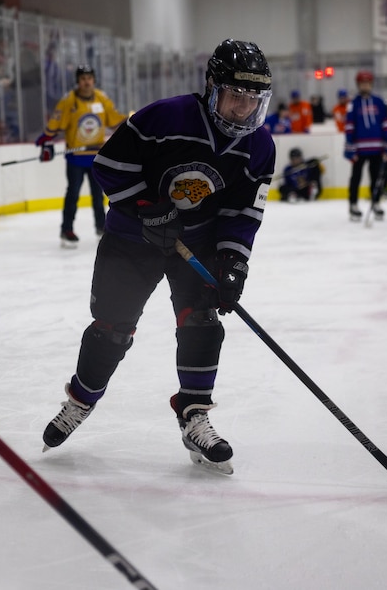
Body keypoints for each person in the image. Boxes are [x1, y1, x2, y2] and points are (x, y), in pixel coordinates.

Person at [40, 38, 275, 476]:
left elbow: (243, 213)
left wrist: (233, 262)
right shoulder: (165, 117)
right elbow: (110, 165)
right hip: (132, 240)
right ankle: (80, 401)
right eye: (234, 97)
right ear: (212, 88)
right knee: (111, 329)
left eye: (251, 100)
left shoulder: (259, 146)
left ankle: (194, 414)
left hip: (197, 245)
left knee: (203, 321)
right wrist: (148, 209)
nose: (243, 109)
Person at [36, 64, 126, 248]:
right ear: (78, 81)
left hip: (96, 157)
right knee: (73, 194)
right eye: (83, 78)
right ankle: (66, 229)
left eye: (89, 78)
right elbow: (56, 122)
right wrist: (46, 140)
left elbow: (114, 120)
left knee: (97, 195)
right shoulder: (69, 101)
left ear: (93, 80)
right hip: (76, 158)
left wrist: (131, 124)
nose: (86, 82)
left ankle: (102, 226)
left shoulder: (102, 98)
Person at [343, 70, 387, 221]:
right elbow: (349, 126)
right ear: (359, 85)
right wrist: (350, 148)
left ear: (371, 84)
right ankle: (353, 204)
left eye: (368, 83)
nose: (365, 86)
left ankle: (376, 202)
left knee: (376, 178)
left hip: (377, 148)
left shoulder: (379, 102)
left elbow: (385, 124)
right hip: (359, 149)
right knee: (356, 178)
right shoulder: (353, 104)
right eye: (362, 83)